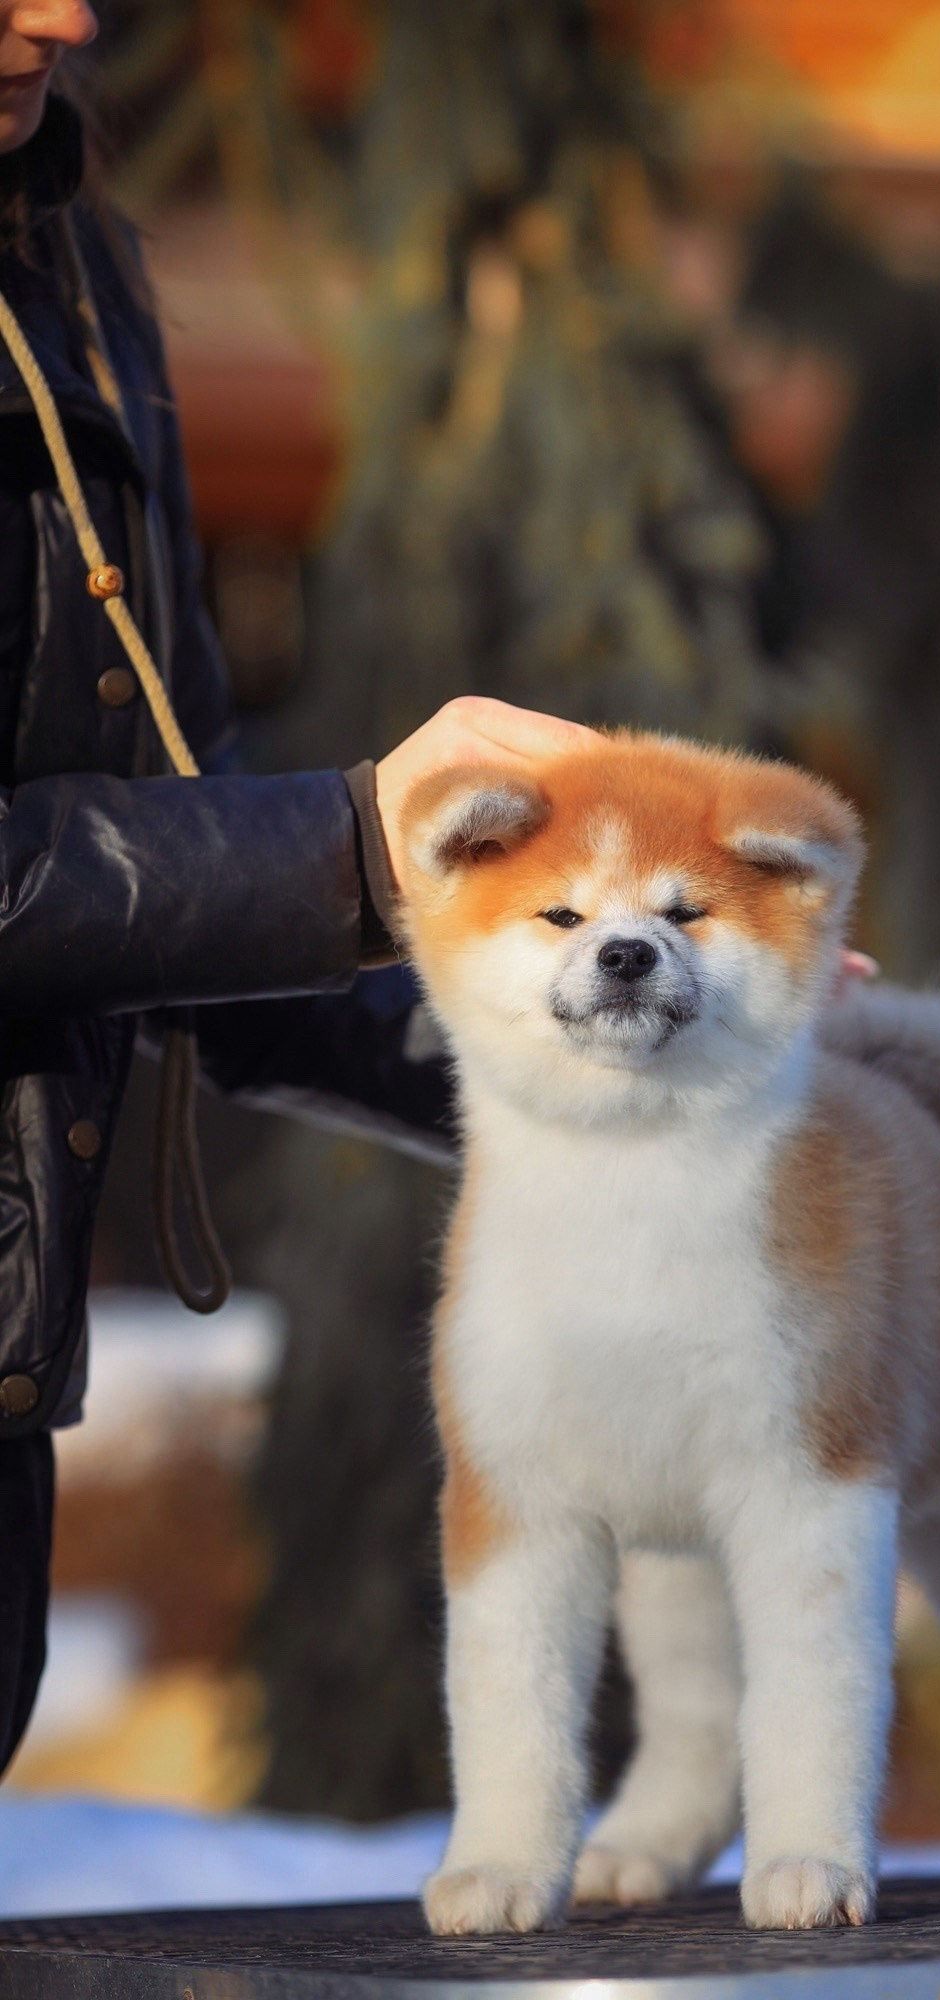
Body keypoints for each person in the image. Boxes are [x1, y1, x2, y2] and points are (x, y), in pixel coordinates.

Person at [0, 0, 597, 1777]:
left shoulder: (74, 268)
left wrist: (616, 1046)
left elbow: (177, 860)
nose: (66, 16)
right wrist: (345, 840)